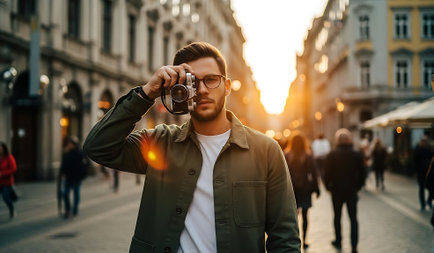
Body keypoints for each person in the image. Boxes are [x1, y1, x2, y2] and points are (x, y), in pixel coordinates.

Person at [83, 42, 301, 252]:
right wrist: (147, 92)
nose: (203, 90)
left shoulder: (265, 151)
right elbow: (98, 147)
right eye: (193, 83)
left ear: (226, 87)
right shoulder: (161, 143)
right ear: (180, 89)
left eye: (211, 80)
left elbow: (285, 238)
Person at [324, 129, 366, 253]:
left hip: (336, 190)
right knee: (353, 218)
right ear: (350, 139)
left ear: (337, 140)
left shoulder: (332, 155)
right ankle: (354, 244)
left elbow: (327, 174)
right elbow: (362, 173)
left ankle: (338, 240)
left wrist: (328, 187)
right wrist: (357, 187)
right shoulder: (356, 154)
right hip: (351, 190)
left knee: (337, 216)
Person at [284, 133, 320, 249]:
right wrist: (316, 189)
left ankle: (295, 239)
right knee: (305, 216)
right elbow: (314, 174)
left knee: (293, 217)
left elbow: (282, 174)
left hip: (291, 189)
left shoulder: (287, 155)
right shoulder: (308, 156)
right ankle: (304, 240)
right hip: (305, 189)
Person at [59, 136, 88, 218]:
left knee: (76, 194)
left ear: (75, 145)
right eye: (69, 143)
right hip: (68, 177)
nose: (69, 145)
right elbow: (64, 164)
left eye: (71, 144)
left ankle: (75, 210)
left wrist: (82, 175)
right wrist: (61, 174)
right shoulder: (67, 153)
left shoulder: (80, 153)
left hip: (76, 178)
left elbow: (85, 165)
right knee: (64, 194)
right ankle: (68, 209)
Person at [413, 135, 433, 211]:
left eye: (426, 141)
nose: (424, 143)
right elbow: (415, 161)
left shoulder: (429, 149)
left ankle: (429, 201)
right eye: (423, 141)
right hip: (420, 172)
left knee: (431, 188)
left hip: (429, 173)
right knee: (421, 189)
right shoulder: (418, 149)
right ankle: (423, 204)